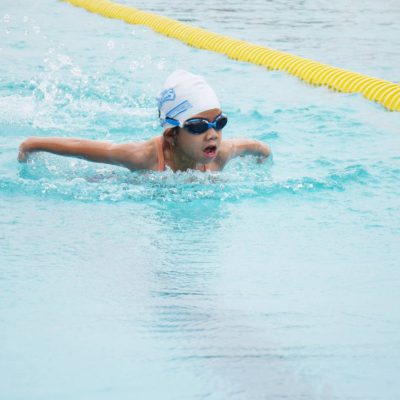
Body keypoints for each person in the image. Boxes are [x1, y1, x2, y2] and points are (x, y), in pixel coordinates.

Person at [18, 70, 270, 172]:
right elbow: (83, 148)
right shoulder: (143, 157)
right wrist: (33, 144)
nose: (213, 133)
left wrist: (263, 154)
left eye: (219, 122)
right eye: (198, 126)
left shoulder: (220, 155)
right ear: (172, 134)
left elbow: (254, 146)